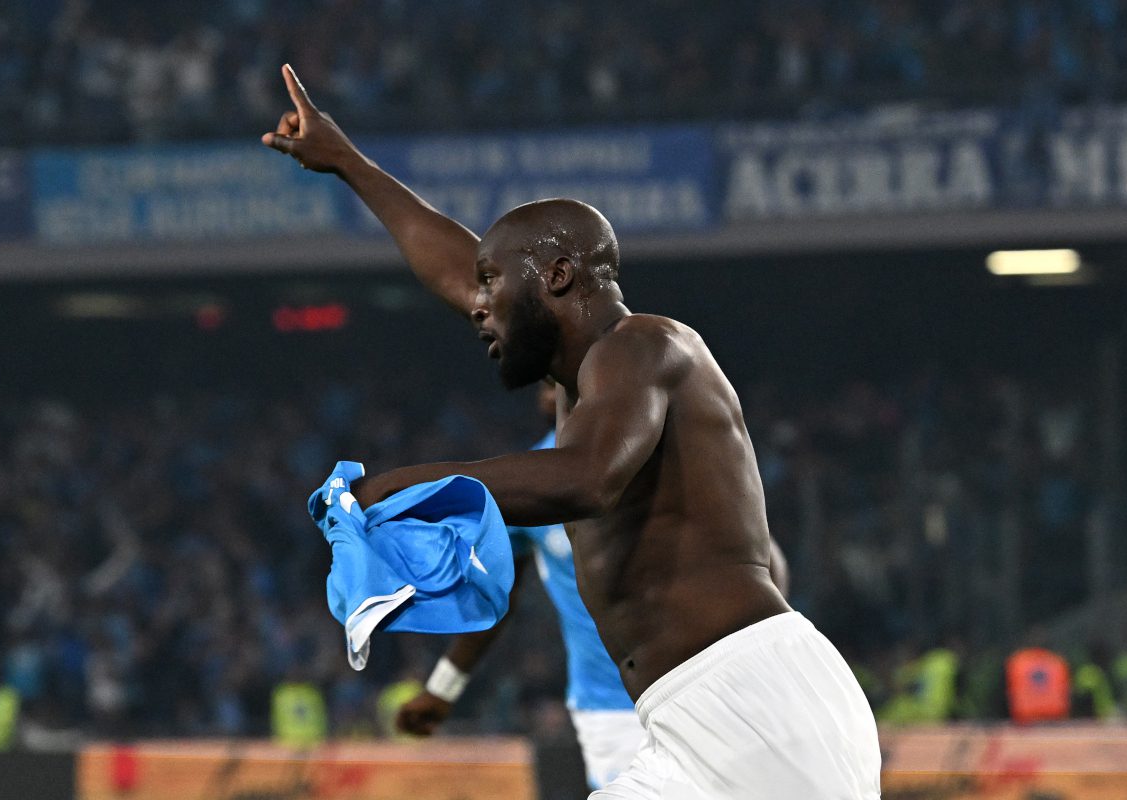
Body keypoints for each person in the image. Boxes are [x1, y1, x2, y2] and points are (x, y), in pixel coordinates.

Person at [263, 64, 881, 798]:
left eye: (495, 284)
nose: (479, 305)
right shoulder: (582, 377)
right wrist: (348, 164)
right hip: (686, 720)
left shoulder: (648, 346)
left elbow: (587, 478)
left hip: (757, 705)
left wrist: (394, 487)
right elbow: (456, 272)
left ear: (555, 277)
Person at [397, 380, 647, 791]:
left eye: (560, 383)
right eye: (545, 385)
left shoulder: (656, 456)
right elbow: (497, 595)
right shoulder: (528, 482)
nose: (547, 394)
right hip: (609, 708)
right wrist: (443, 688)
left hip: (697, 686)